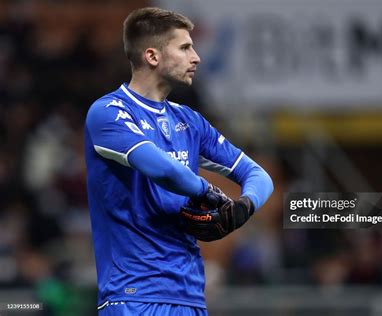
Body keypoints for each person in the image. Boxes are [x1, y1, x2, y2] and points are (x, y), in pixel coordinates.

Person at [84, 7, 273, 316]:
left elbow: (258, 174)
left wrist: (243, 208)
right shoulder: (109, 112)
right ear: (152, 56)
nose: (196, 57)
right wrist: (208, 192)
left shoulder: (190, 122)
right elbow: (164, 170)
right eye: (185, 47)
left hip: (190, 296)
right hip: (134, 296)